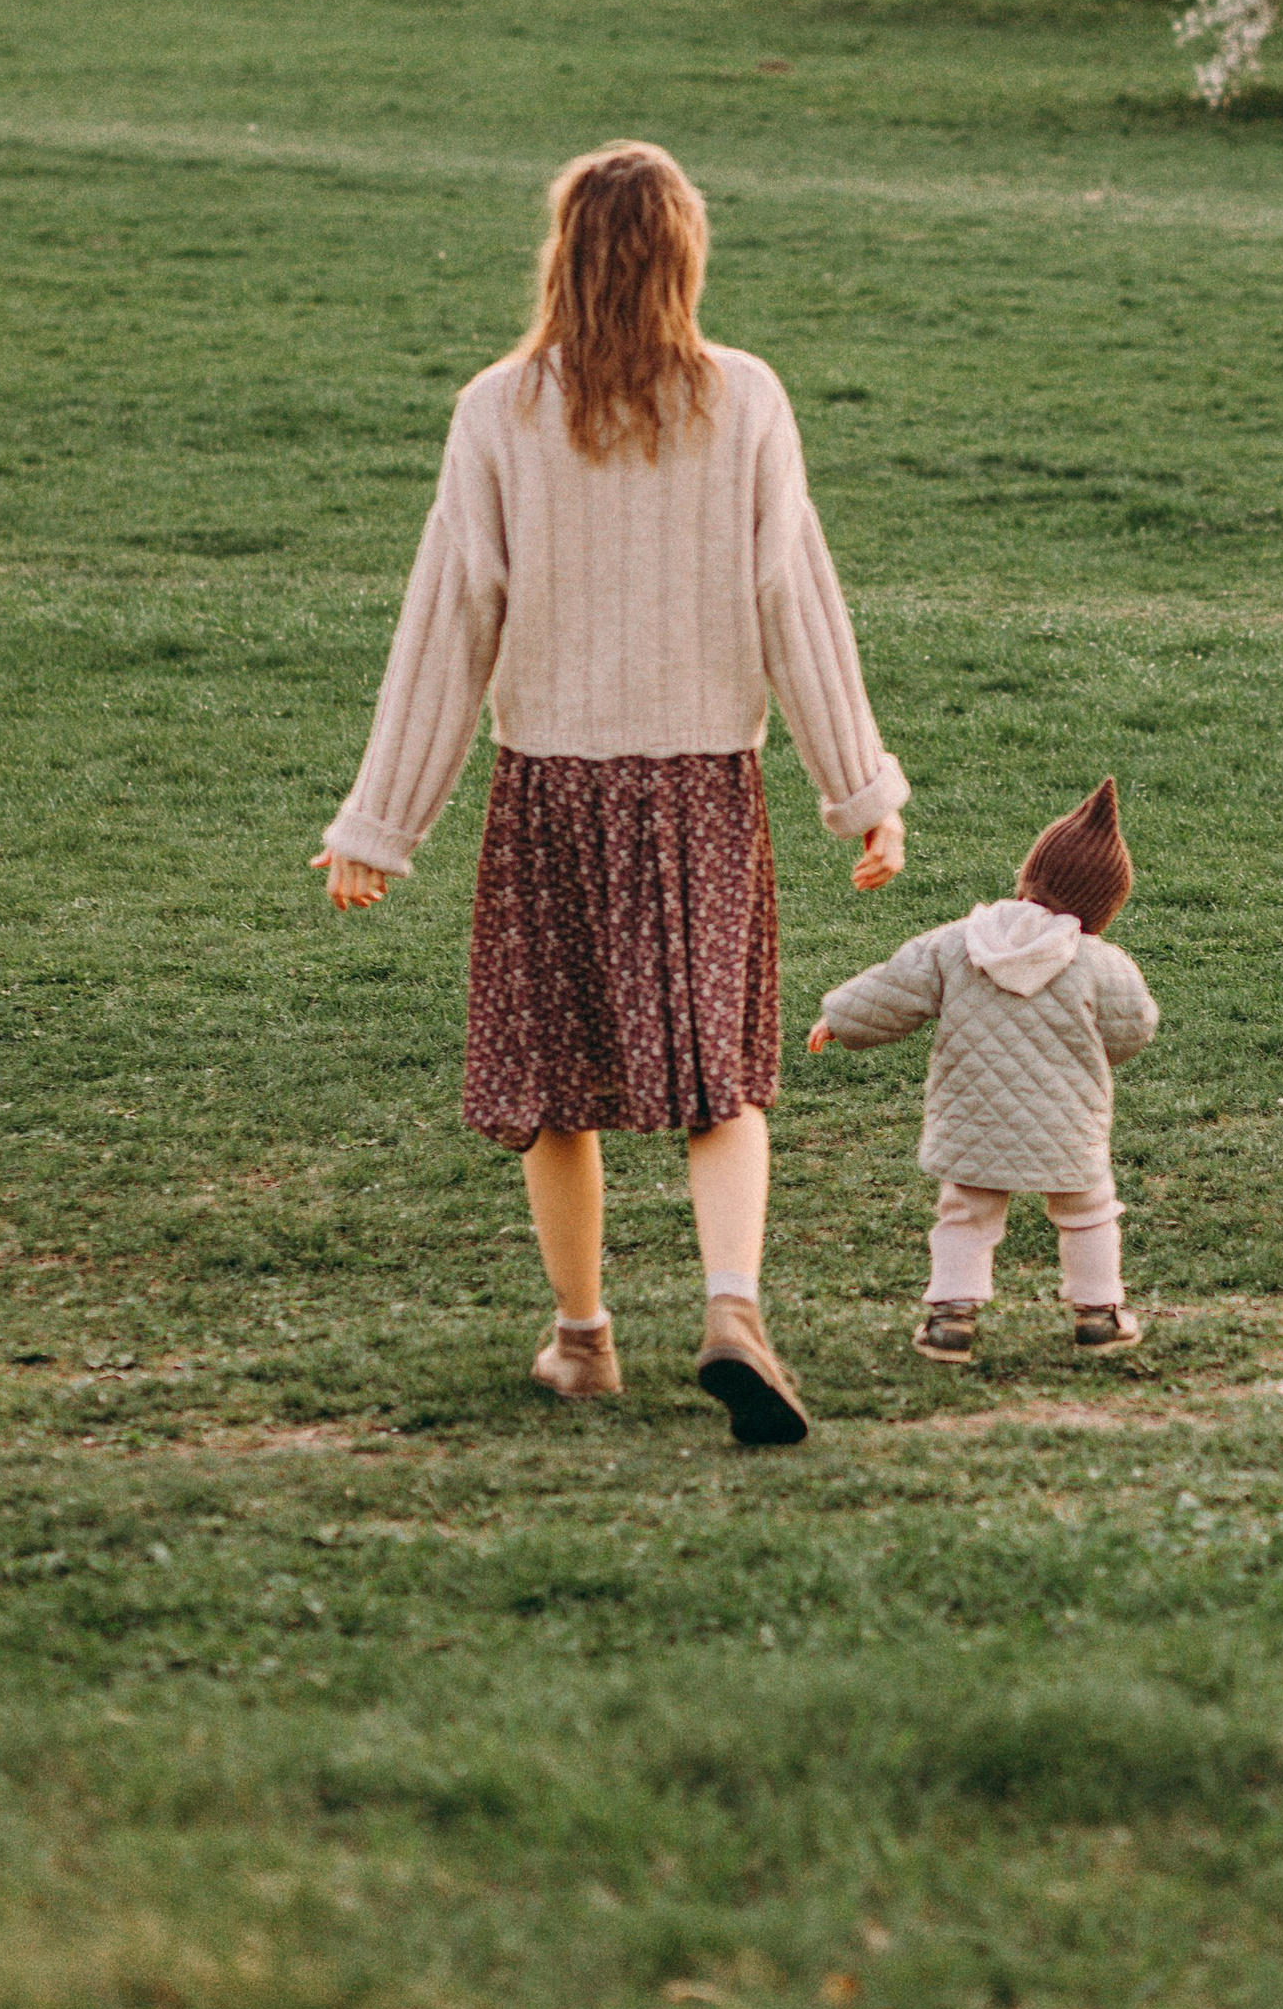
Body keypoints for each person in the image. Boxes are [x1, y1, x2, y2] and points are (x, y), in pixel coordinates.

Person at [312, 140, 906, 1448]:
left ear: (563, 257)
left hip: (552, 798)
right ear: (686, 255)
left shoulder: (499, 410)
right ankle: (733, 1308)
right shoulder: (744, 399)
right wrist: (861, 791)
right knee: (720, 1074)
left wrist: (379, 827)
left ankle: (583, 1340)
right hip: (702, 791)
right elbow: (793, 603)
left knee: (555, 1079)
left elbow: (447, 625)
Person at [807, 776, 1155, 1364]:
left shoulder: (958, 941)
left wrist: (840, 1017)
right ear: (1102, 907)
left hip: (973, 1117)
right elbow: (1133, 1028)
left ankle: (952, 1319)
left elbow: (895, 988)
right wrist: (1095, 1054)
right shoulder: (1101, 962)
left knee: (966, 1214)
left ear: (1029, 877)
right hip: (1067, 1121)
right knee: (1088, 1211)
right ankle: (1099, 1314)